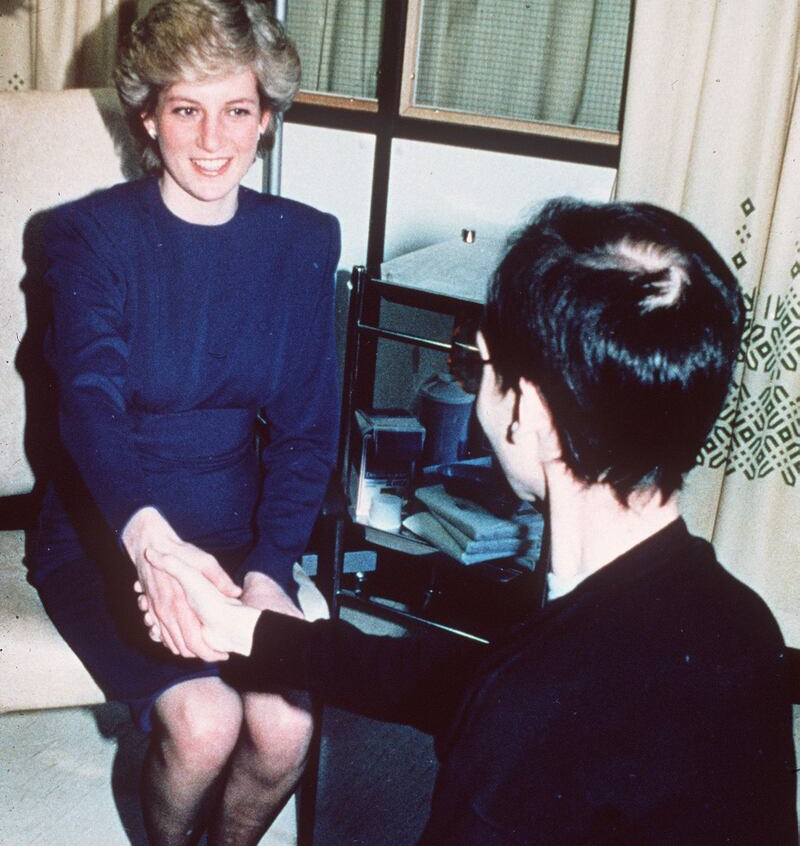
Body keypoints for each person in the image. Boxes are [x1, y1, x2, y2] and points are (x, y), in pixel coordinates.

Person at [143, 198, 798, 843]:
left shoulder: (527, 723)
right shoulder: (738, 623)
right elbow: (456, 680)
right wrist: (243, 628)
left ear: (528, 413)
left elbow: (508, 700)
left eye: (481, 366)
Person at [28, 0, 340, 844]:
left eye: (237, 110)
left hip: (239, 530)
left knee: (286, 728)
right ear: (147, 118)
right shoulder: (87, 236)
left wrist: (272, 567)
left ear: (266, 118)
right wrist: (152, 547)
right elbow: (88, 406)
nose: (213, 140)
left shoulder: (303, 240)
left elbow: (309, 430)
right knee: (204, 724)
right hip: (111, 527)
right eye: (186, 110)